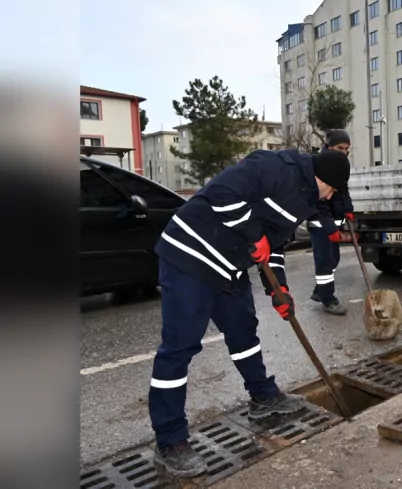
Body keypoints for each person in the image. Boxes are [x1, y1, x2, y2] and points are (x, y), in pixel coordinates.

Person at [148, 148, 355, 478]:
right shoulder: (273, 166)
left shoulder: (304, 200)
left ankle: (263, 398)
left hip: (230, 265)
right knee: (179, 347)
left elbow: (272, 247)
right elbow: (221, 193)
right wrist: (253, 233)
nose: (331, 197)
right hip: (191, 255)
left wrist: (279, 289)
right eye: (332, 190)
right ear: (322, 180)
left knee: (244, 333)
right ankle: (170, 441)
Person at [308, 129, 354, 315]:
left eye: (346, 149)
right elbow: (318, 202)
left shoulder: (340, 165)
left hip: (333, 223)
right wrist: (328, 227)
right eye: (339, 147)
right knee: (325, 261)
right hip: (321, 224)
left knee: (333, 259)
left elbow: (344, 191)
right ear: (329, 147)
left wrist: (348, 209)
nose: (343, 152)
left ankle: (319, 291)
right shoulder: (321, 166)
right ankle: (329, 299)